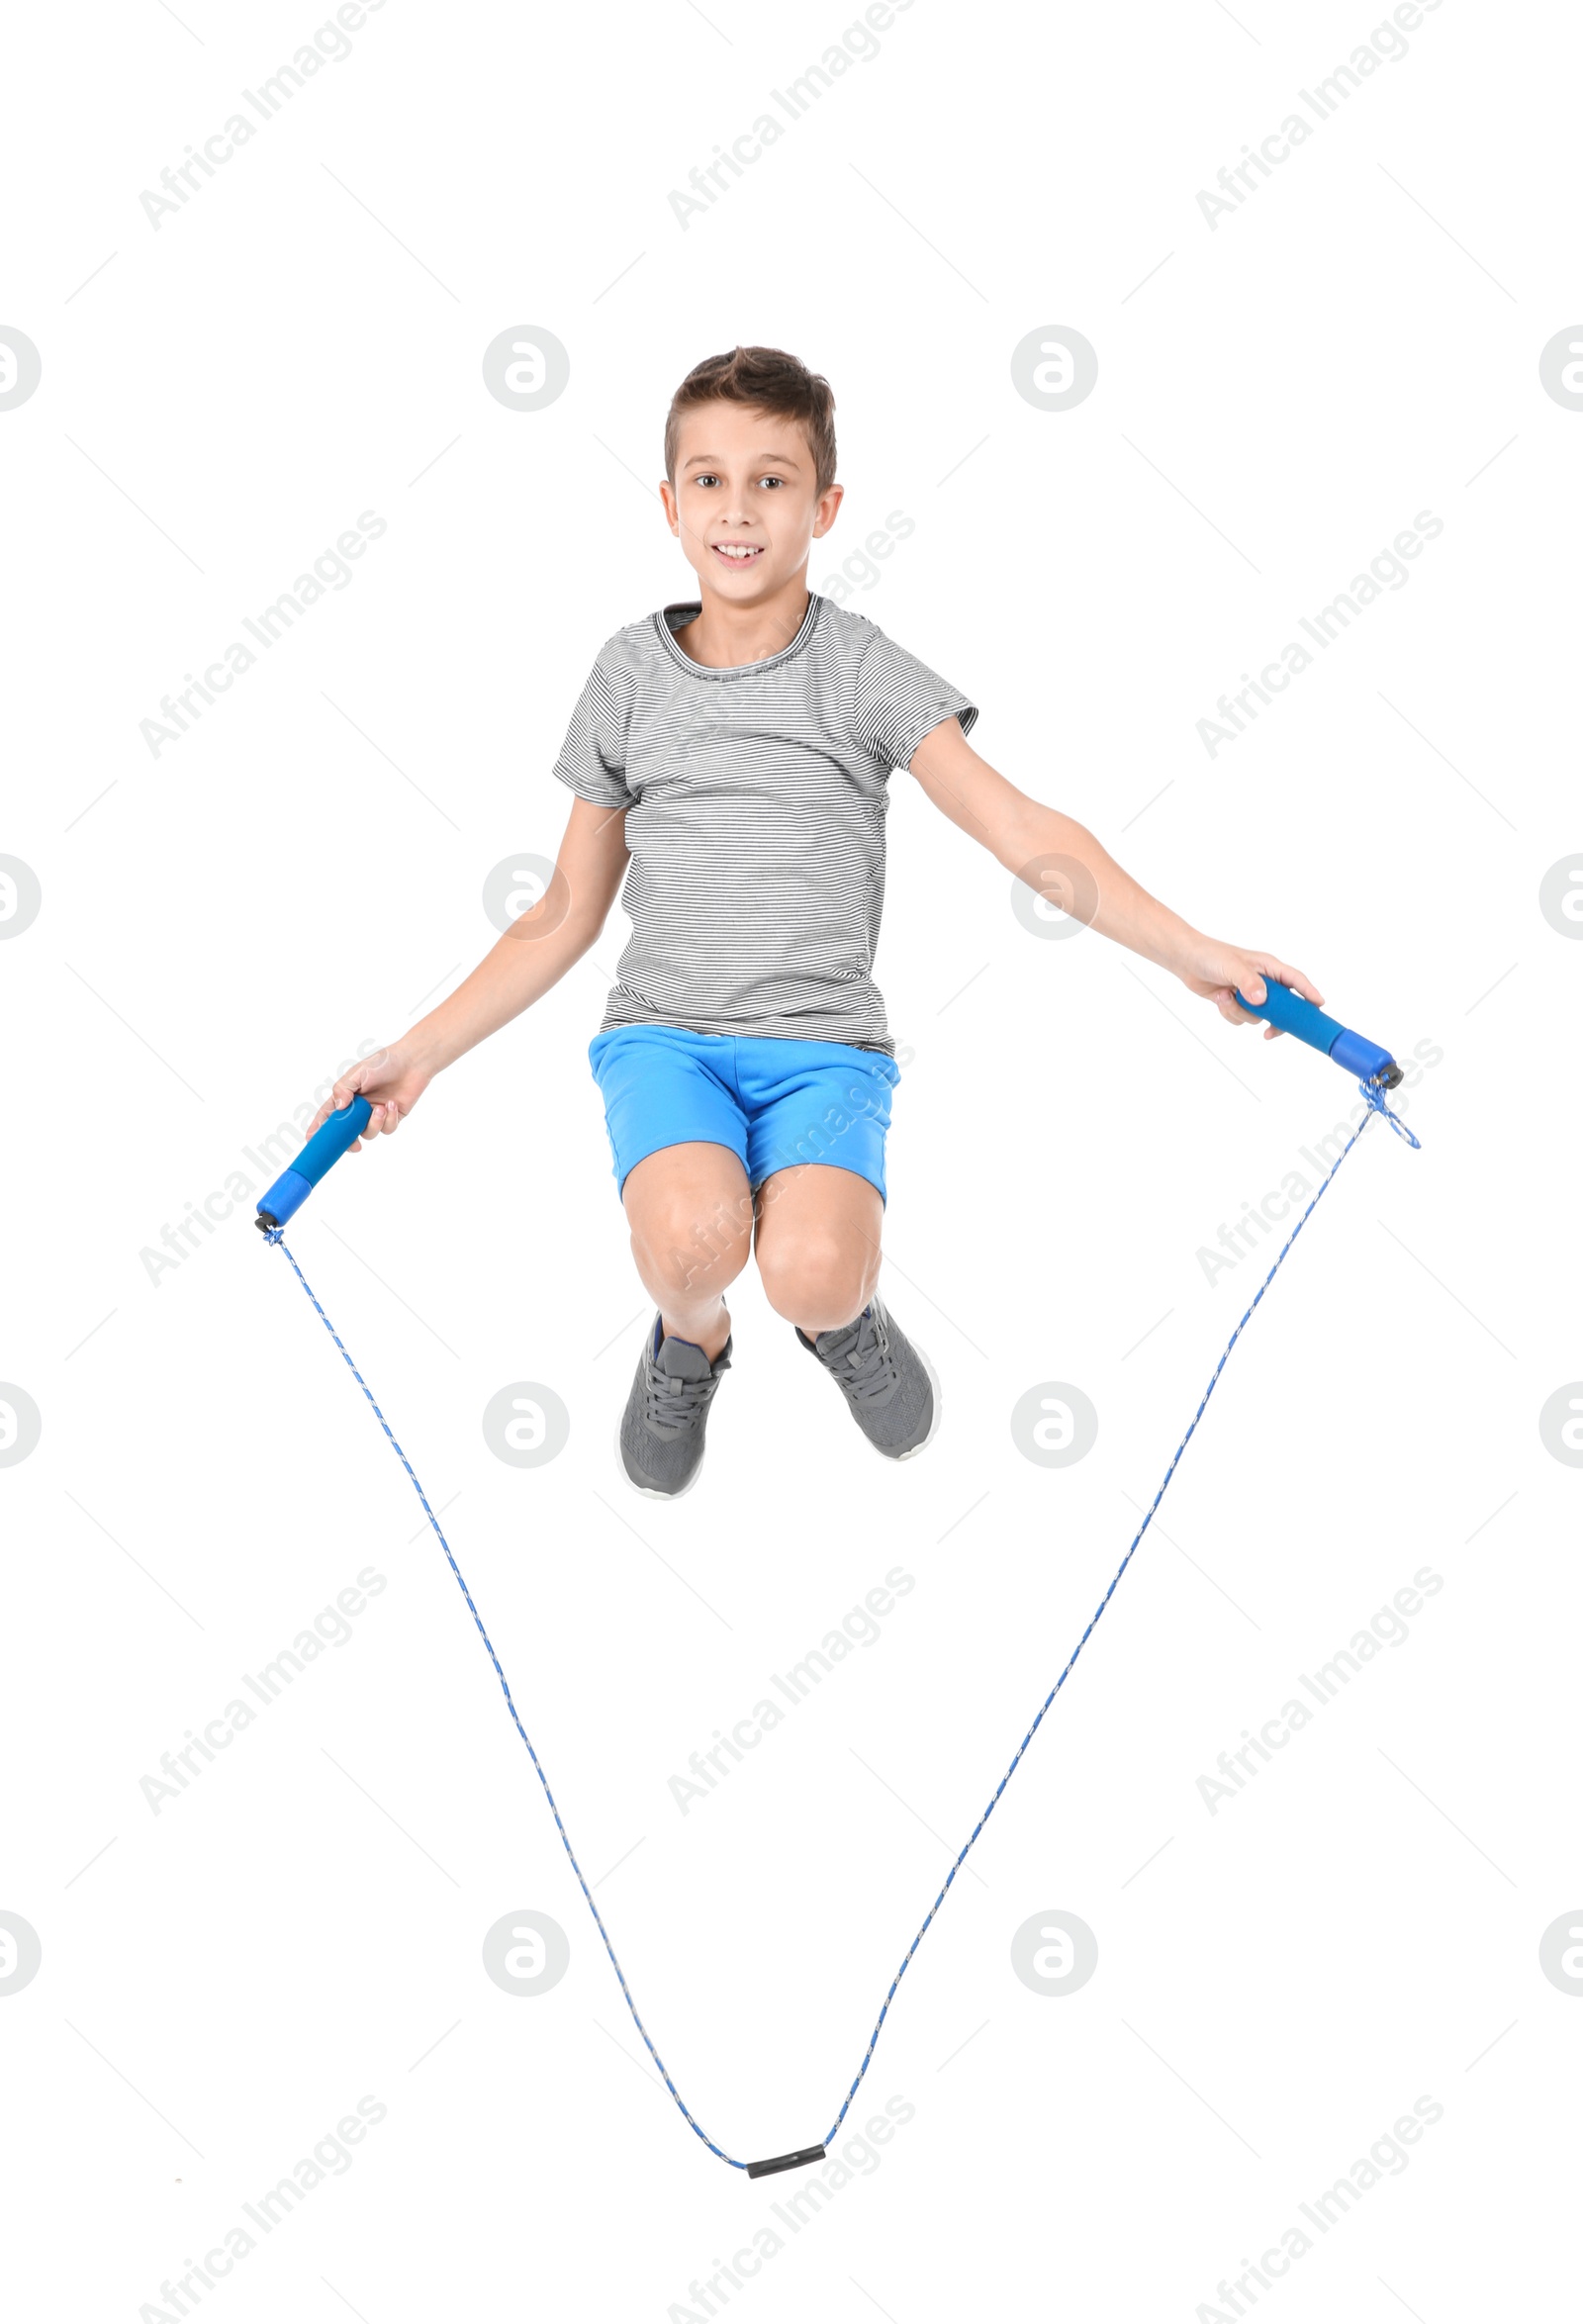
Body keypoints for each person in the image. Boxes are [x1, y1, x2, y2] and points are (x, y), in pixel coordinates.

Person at [305, 345, 1320, 1500]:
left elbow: (1022, 830)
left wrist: (1196, 951)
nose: (738, 510)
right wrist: (416, 1054)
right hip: (665, 1041)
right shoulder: (627, 674)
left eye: (772, 481)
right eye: (709, 479)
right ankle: (690, 1340)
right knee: (695, 1248)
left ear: (825, 506)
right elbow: (563, 909)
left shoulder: (860, 669)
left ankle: (839, 1321)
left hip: (822, 1048)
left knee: (812, 1273)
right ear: (669, 502)